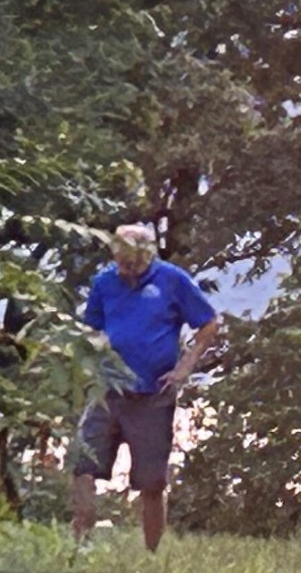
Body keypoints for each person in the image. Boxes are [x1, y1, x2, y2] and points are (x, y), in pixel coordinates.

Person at [69, 222, 221, 551]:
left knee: (151, 482)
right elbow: (91, 330)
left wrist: (184, 368)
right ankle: (81, 542)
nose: (127, 269)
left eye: (133, 263)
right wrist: (90, 366)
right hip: (108, 391)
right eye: (121, 262)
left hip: (154, 394)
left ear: (148, 255)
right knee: (83, 463)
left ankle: (151, 554)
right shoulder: (104, 282)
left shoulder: (172, 279)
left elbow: (209, 324)